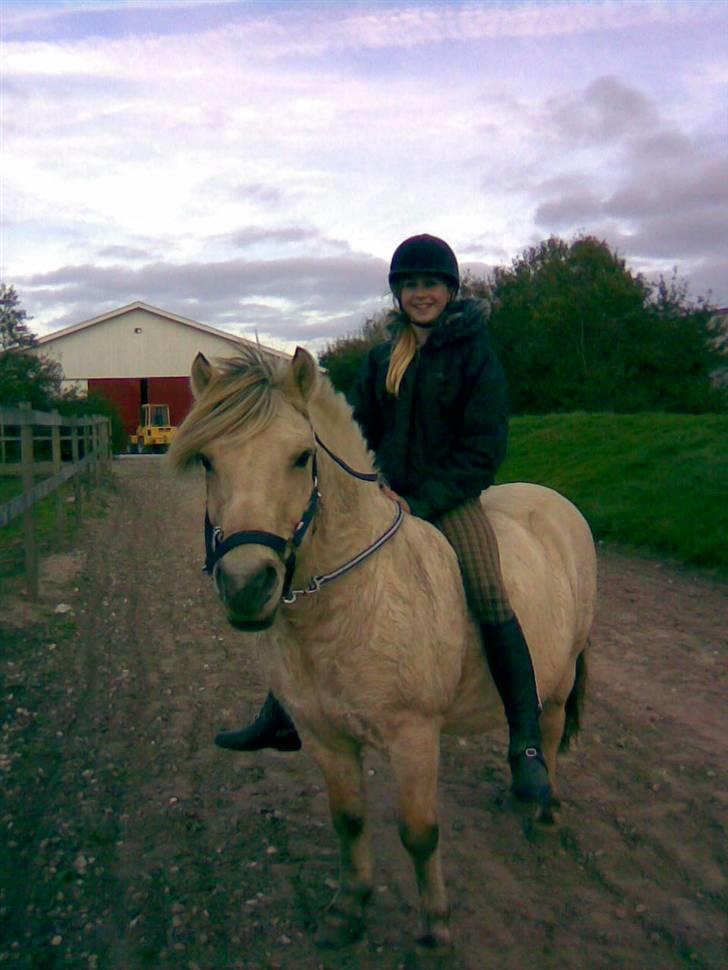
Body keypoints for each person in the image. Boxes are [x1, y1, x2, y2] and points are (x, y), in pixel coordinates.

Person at [215, 233, 552, 806]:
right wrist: (370, 488)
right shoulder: (381, 360)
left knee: (490, 592)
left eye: (431, 284)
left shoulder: (476, 357)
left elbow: (484, 447)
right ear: (399, 294)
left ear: (450, 290)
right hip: (385, 496)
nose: (422, 294)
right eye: (411, 285)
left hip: (449, 502)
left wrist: (424, 501)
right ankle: (282, 713)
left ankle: (524, 743)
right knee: (303, 573)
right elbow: (358, 434)